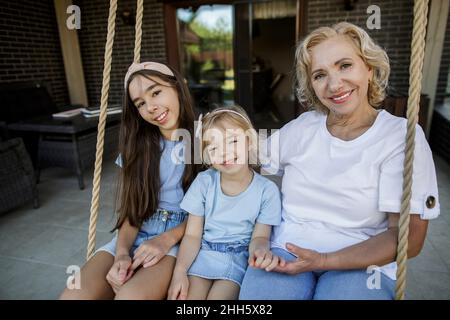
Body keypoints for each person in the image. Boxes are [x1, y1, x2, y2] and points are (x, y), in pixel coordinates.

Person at [239, 22, 440, 300]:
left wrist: (322, 260)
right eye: (320, 75)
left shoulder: (400, 137)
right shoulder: (304, 127)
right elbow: (246, 156)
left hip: (362, 261)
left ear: (369, 68)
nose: (334, 84)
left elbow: (408, 239)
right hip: (286, 248)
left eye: (345, 65)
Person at [60, 61, 199, 299]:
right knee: (73, 296)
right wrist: (122, 253)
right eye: (141, 103)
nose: (151, 107)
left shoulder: (207, 141)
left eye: (156, 92)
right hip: (136, 233)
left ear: (177, 87)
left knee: (129, 296)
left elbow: (216, 212)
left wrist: (166, 239)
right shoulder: (138, 149)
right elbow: (132, 214)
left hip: (180, 238)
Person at [168, 105, 282, 300]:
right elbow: (193, 235)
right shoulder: (204, 182)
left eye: (233, 141)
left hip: (237, 259)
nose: (224, 153)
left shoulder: (267, 190)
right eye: (214, 147)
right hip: (202, 255)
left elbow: (259, 238)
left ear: (249, 140)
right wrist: (179, 272)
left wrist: (261, 251)